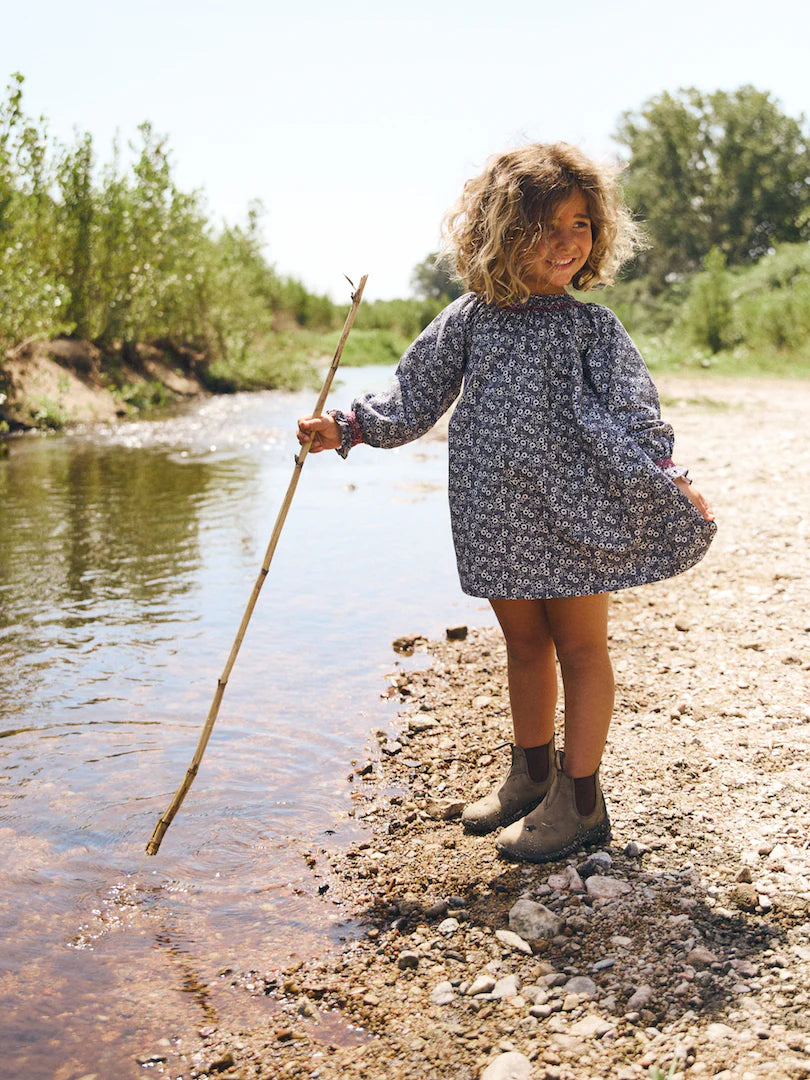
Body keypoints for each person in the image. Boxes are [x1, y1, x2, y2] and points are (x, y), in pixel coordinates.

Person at [297, 143, 716, 864]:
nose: (566, 241)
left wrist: (670, 473)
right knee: (524, 644)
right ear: (499, 231)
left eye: (581, 223)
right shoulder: (471, 318)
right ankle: (531, 774)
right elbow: (415, 394)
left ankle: (581, 801)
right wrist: (349, 427)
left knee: (581, 648)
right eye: (545, 226)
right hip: (493, 508)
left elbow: (637, 411)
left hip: (577, 508)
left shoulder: (592, 328)